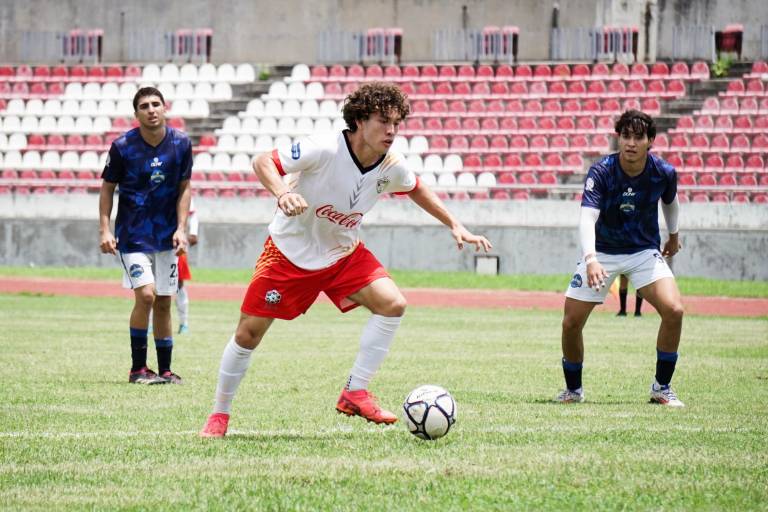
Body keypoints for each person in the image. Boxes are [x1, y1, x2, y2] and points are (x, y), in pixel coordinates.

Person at [200, 82, 492, 437]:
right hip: (289, 254)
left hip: (343, 254)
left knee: (393, 304)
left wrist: (455, 224)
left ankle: (355, 391)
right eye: (384, 121)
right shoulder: (323, 146)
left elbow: (415, 187)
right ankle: (219, 415)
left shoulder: (391, 165)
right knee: (247, 334)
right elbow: (264, 161)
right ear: (359, 120)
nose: (392, 131)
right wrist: (281, 194)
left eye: (397, 123)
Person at [556, 109, 685, 407]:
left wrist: (674, 234)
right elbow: (586, 218)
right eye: (625, 136)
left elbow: (671, 200)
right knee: (570, 323)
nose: (630, 143)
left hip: (643, 252)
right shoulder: (601, 171)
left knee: (675, 310)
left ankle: (662, 388)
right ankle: (573, 390)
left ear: (650, 140)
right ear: (619, 139)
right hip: (601, 253)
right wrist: (590, 258)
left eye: (638, 137)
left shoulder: (663, 171)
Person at [99, 86, 192, 385]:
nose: (151, 109)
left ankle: (164, 370)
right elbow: (107, 188)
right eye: (144, 106)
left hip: (167, 236)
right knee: (147, 295)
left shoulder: (181, 144)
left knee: (166, 300)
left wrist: (181, 228)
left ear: (165, 108)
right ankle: (138, 368)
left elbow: (185, 188)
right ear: (136, 113)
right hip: (133, 235)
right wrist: (105, 229)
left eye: (155, 104)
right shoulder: (122, 146)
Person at [176, 199, 199, 334]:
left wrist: (193, 233)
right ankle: (148, 324)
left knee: (179, 284)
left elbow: (192, 214)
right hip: (153, 241)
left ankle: (183, 323)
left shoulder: (181, 187)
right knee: (151, 284)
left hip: (177, 244)